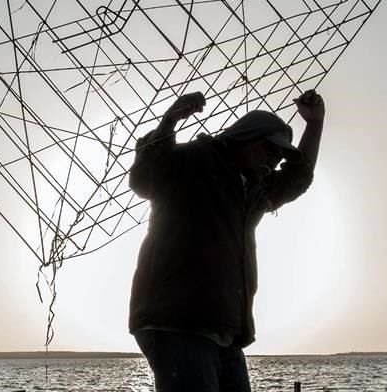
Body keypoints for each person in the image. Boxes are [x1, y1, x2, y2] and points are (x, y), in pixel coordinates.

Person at [129, 89, 325, 392]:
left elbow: (298, 179)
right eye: (269, 150)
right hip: (176, 321)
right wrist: (170, 121)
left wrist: (314, 125)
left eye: (279, 156)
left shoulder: (253, 190)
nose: (274, 161)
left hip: (225, 329)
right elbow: (146, 178)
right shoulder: (198, 160)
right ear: (244, 138)